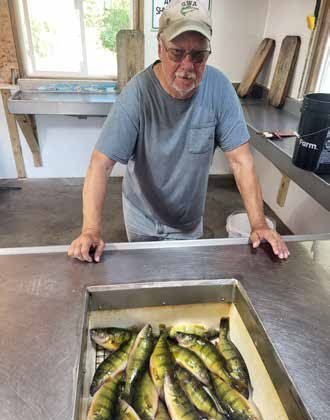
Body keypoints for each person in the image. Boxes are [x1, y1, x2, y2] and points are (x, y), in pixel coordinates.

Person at [68, 0, 290, 262]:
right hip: (142, 216)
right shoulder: (137, 94)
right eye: (177, 52)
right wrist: (90, 230)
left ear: (208, 54)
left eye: (198, 56)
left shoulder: (219, 89)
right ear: (161, 47)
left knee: (184, 284)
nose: (187, 66)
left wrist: (259, 224)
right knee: (146, 281)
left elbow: (241, 161)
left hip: (188, 220)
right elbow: (100, 165)